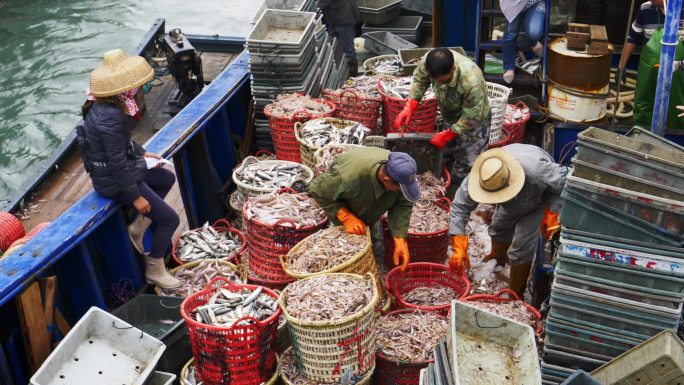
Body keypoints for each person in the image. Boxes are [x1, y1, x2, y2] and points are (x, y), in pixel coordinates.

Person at [78, 48, 181, 288]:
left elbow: (117, 145)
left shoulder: (99, 106)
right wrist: (135, 197)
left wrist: (141, 153)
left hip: (116, 170)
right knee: (170, 220)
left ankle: (137, 226)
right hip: (114, 180)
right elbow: (116, 163)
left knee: (165, 179)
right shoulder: (112, 116)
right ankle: (154, 267)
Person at [447, 144, 565, 298]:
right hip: (514, 196)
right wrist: (458, 243)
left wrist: (553, 211)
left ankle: (515, 294)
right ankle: (498, 256)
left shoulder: (537, 172)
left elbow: (567, 181)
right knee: (498, 226)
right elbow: (459, 207)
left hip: (539, 195)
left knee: (522, 246)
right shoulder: (481, 176)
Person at [395, 47, 491, 194]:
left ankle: (458, 197)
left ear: (453, 68)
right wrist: (410, 106)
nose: (439, 85)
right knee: (446, 156)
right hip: (450, 114)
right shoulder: (429, 61)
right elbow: (420, 80)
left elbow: (471, 117)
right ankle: (447, 184)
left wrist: (446, 135)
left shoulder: (471, 80)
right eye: (435, 81)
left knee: (466, 165)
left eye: (443, 81)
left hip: (475, 121)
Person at [308, 147, 419, 271]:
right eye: (399, 189)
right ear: (386, 180)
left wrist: (399, 237)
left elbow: (403, 203)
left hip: (369, 196)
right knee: (341, 251)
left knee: (369, 237)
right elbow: (316, 189)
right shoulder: (348, 178)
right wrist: (345, 216)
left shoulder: (400, 171)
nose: (400, 191)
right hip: (352, 189)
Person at [617, 0, 684, 82]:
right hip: (649, 71)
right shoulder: (645, 8)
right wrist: (621, 66)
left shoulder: (681, 7)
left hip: (679, 74)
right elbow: (632, 39)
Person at [500, 0, 546, 84]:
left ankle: (533, 43)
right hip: (512, 3)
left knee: (534, 33)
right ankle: (509, 67)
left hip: (535, 1)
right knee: (510, 34)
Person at [318, 0, 360, 76]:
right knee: (333, 49)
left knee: (348, 51)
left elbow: (324, 3)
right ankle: (342, 75)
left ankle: (353, 78)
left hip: (344, 18)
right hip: (335, 18)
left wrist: (317, 8)